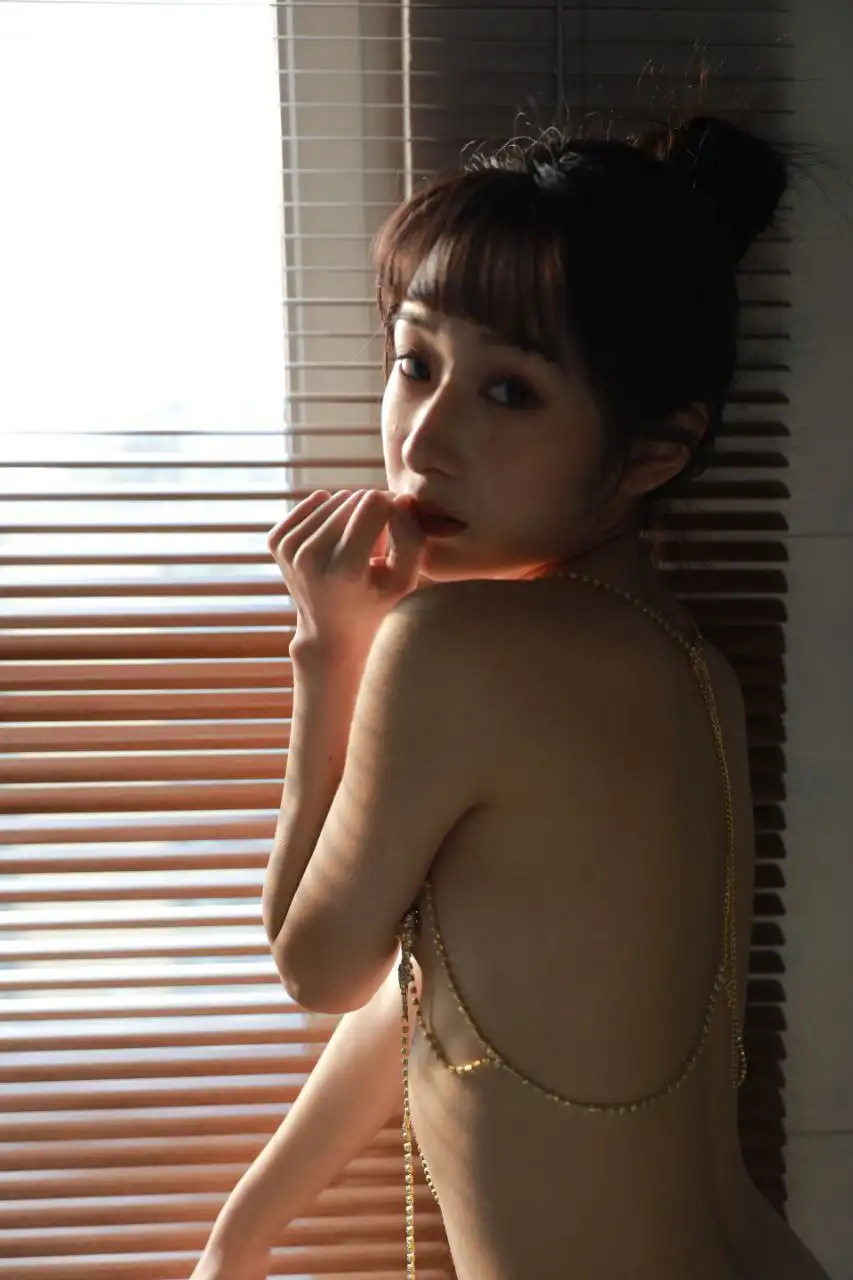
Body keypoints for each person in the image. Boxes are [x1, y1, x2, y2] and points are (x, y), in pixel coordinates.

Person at [191, 117, 831, 1280]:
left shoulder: (455, 646)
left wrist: (329, 648)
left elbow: (316, 966)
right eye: (415, 362)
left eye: (509, 391)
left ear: (653, 452)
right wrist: (242, 1232)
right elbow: (441, 989)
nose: (427, 439)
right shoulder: (685, 663)